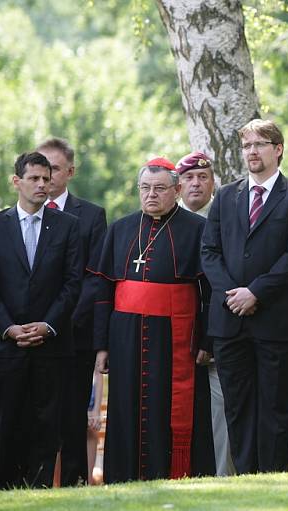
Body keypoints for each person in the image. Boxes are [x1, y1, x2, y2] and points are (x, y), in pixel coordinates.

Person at [201, 119, 288, 474]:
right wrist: (232, 294)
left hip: (277, 321)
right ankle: (245, 482)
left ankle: (274, 481)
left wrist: (256, 292)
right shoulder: (225, 196)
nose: (252, 151)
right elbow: (209, 252)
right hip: (230, 321)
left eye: (259, 144)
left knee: (276, 409)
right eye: (247, 145)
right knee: (237, 408)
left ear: (277, 149)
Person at [93, 157, 215, 483]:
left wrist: (206, 340)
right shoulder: (120, 229)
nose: (151, 195)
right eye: (145, 188)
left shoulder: (198, 230)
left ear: (176, 190)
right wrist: (101, 345)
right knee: (126, 406)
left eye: (160, 188)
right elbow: (103, 291)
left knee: (167, 409)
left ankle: (172, 474)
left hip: (174, 336)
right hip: (125, 337)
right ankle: (122, 477)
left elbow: (210, 293)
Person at [0, 152, 81, 489]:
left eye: (46, 178)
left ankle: (39, 490)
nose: (43, 184)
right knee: (8, 423)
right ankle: (8, 490)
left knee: (46, 423)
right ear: (17, 182)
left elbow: (72, 284)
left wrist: (48, 325)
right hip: (6, 346)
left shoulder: (69, 227)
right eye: (35, 178)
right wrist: (8, 328)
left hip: (51, 344)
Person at [35, 137, 107, 487]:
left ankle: (76, 482)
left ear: (70, 172)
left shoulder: (91, 216)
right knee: (36, 414)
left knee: (72, 415)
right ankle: (34, 482)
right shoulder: (20, 215)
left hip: (74, 334)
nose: (46, 178)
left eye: (54, 170)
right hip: (30, 336)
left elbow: (94, 278)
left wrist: (57, 321)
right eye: (41, 170)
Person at [175, 151, 235, 477]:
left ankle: (225, 477)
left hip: (217, 335)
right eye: (189, 178)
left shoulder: (226, 219)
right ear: (178, 185)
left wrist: (209, 339)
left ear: (213, 183)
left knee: (220, 409)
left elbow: (217, 288)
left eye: (203, 177)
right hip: (175, 337)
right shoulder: (169, 223)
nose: (196, 183)